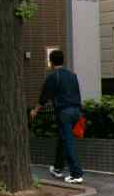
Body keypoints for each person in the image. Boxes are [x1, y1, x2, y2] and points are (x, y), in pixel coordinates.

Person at [30, 49, 84, 184]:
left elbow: (44, 97)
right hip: (76, 110)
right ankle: (58, 168)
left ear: (51, 62)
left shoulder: (53, 77)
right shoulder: (73, 75)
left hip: (64, 112)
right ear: (63, 60)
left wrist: (35, 110)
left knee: (68, 141)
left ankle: (76, 174)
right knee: (62, 138)